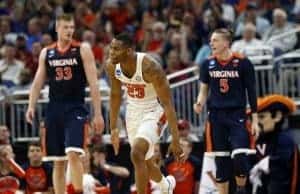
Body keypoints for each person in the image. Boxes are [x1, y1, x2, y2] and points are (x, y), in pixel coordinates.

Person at [26, 13, 104, 194]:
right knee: (58, 161)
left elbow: (93, 83)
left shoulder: (82, 49)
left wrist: (98, 113)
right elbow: (37, 82)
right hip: (54, 109)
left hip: (75, 107)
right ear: (57, 28)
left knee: (73, 153)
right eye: (65, 27)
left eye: (71, 27)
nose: (69, 31)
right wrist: (31, 105)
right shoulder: (47, 52)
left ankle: (77, 191)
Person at [106, 33, 184, 194]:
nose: (111, 52)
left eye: (116, 49)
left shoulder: (150, 67)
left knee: (136, 153)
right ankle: (165, 185)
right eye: (111, 48)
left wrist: (176, 139)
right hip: (132, 112)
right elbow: (114, 96)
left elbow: (168, 104)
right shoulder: (112, 65)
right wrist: (113, 128)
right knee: (146, 163)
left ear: (128, 51)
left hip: (154, 111)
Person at [194, 28, 259, 194]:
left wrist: (255, 120)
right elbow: (203, 90)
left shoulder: (243, 62)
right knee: (221, 162)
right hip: (216, 117)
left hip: (237, 115)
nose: (211, 43)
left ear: (226, 42)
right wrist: (199, 102)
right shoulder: (207, 63)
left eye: (215, 40)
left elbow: (251, 92)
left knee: (240, 156)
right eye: (211, 40)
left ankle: (240, 189)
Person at [249, 94, 299, 194]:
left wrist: (265, 164)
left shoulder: (284, 139)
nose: (256, 123)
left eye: (262, 117)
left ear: (277, 116)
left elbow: (280, 171)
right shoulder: (259, 141)